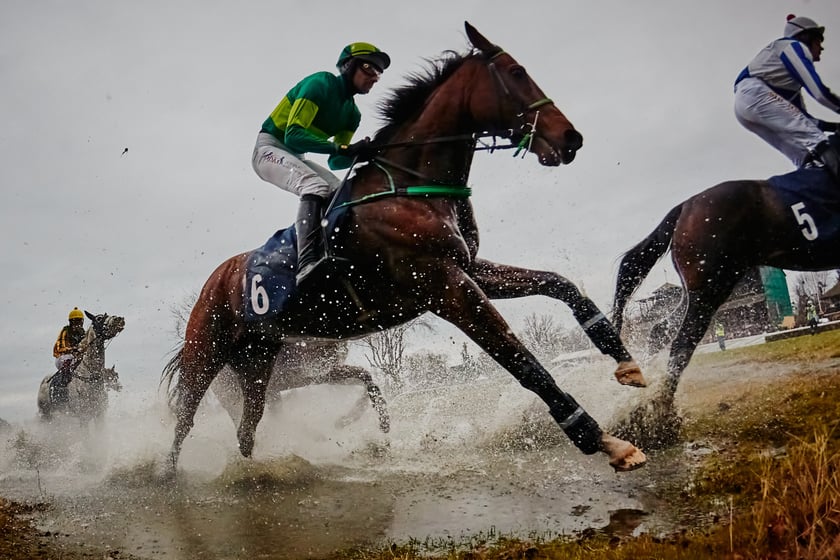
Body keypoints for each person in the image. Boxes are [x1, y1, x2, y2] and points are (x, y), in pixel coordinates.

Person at [252, 42, 391, 285]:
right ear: (348, 65)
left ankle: (334, 251)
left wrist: (363, 152)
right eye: (369, 68)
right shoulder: (320, 84)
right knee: (316, 186)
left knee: (339, 192)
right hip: (269, 148)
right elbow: (293, 135)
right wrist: (346, 148)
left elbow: (336, 160)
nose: (374, 77)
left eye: (378, 73)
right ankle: (307, 263)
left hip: (296, 157)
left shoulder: (352, 113)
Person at [733, 14, 840, 182]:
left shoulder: (787, 83)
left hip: (745, 108)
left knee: (804, 157)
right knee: (818, 140)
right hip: (755, 93)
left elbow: (804, 119)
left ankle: (810, 197)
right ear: (807, 37)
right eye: (819, 41)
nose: (822, 48)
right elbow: (820, 93)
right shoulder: (794, 46)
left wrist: (834, 126)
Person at [51, 307, 86, 404]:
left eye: (79, 322)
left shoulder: (83, 333)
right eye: (75, 321)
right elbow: (61, 347)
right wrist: (72, 349)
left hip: (74, 356)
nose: (77, 324)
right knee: (68, 359)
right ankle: (63, 385)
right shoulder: (65, 331)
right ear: (71, 322)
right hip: (61, 356)